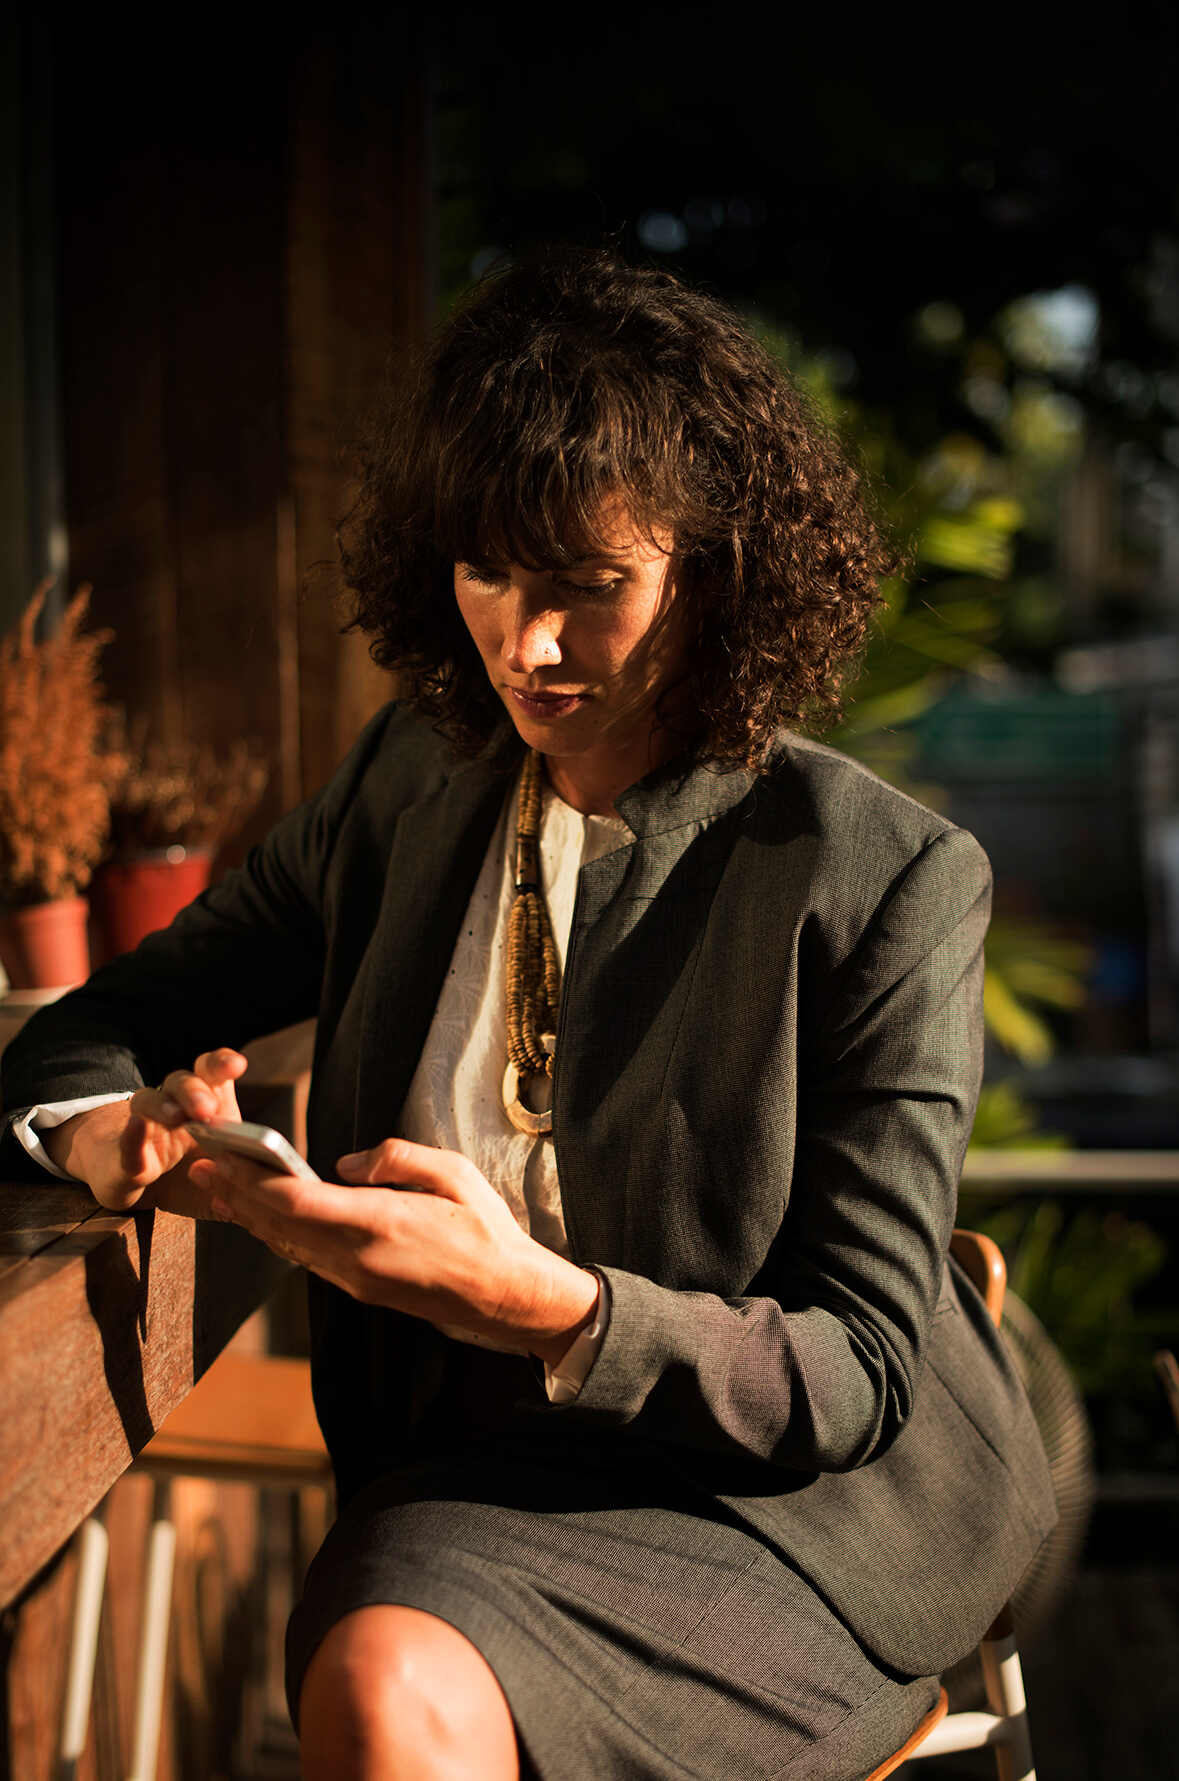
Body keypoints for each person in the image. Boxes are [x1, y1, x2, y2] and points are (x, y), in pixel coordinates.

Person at [1, 250, 1055, 1781]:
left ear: (716, 567)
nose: (527, 643)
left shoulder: (881, 877)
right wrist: (103, 1136)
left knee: (382, 1681)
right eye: (488, 572)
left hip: (792, 1524)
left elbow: (860, 1376)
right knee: (383, 1673)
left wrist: (540, 1301)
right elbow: (81, 1031)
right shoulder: (403, 793)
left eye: (588, 587)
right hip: (473, 1488)